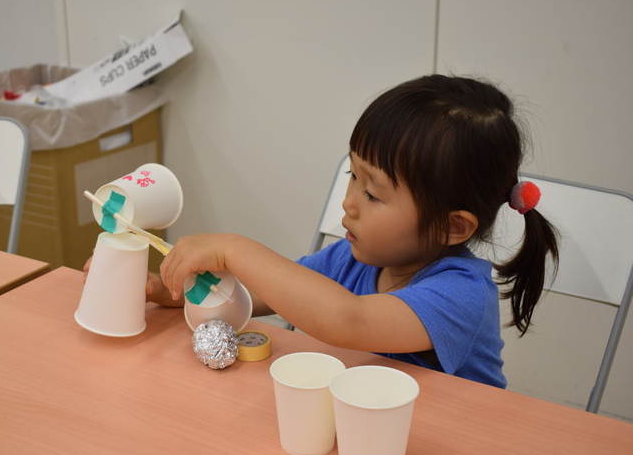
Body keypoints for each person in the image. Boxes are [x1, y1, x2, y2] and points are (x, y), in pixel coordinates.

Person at [87, 74, 560, 388]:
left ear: (452, 226)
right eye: (353, 175)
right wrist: (169, 290)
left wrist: (232, 248)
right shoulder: (350, 259)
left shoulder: (461, 295)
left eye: (372, 194)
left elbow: (347, 321)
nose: (348, 202)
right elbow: (258, 295)